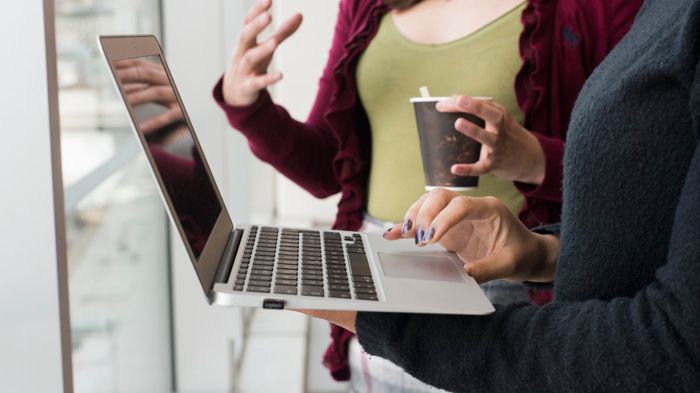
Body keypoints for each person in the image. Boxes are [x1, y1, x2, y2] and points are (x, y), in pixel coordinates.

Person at [213, 0, 643, 389]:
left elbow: (642, 182)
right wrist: (247, 106)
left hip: (509, 282)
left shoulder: (598, 8)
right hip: (375, 270)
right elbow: (330, 168)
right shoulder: (366, 6)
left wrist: (534, 159)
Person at [302, 0, 700, 391]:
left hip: (506, 326)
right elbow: (656, 217)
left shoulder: (602, 10)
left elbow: (676, 346)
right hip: (431, 264)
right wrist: (544, 252)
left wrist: (398, 324)